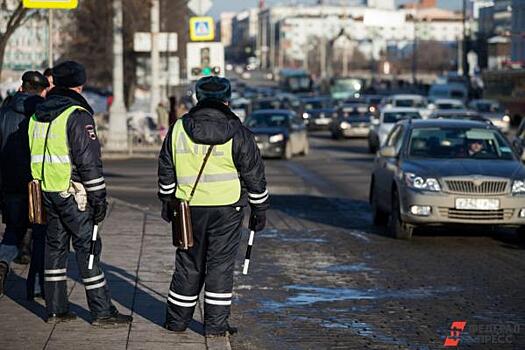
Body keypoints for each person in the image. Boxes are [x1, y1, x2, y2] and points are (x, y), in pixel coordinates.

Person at [158, 76, 269, 337]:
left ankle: (176, 322)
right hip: (227, 210)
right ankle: (215, 327)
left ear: (197, 98)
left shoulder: (178, 129)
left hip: (188, 209)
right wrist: (259, 209)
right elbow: (254, 174)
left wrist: (166, 201)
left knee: (188, 264)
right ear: (226, 100)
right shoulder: (239, 132)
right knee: (219, 266)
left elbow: (165, 168)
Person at [28, 61, 132, 326]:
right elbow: (88, 162)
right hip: (73, 193)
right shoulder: (76, 114)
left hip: (47, 190)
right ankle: (102, 311)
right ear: (80, 84)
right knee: (89, 248)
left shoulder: (38, 113)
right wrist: (99, 199)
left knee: (55, 249)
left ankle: (55, 309)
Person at [0, 71, 49, 297]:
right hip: (36, 184)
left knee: (12, 230)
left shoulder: (4, 112)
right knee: (40, 236)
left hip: (8, 182)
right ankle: (37, 288)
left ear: (22, 87)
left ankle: (2, 261)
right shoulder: (44, 113)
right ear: (42, 90)